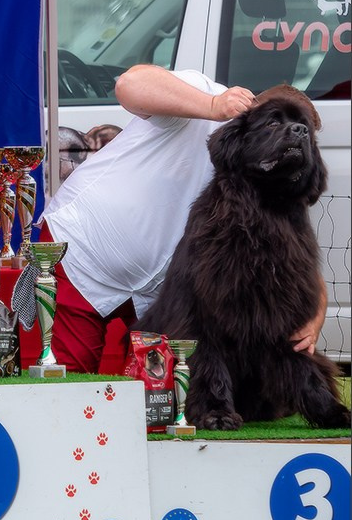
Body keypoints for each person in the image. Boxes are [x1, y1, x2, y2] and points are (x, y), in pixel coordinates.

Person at [38, 64, 325, 373]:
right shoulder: (204, 94)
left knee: (153, 395)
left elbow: (294, 257)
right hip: (84, 256)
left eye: (302, 132)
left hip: (156, 297)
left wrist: (315, 315)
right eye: (277, 123)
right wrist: (213, 106)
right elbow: (130, 83)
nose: (292, 137)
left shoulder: (275, 174)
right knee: (67, 384)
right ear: (253, 109)